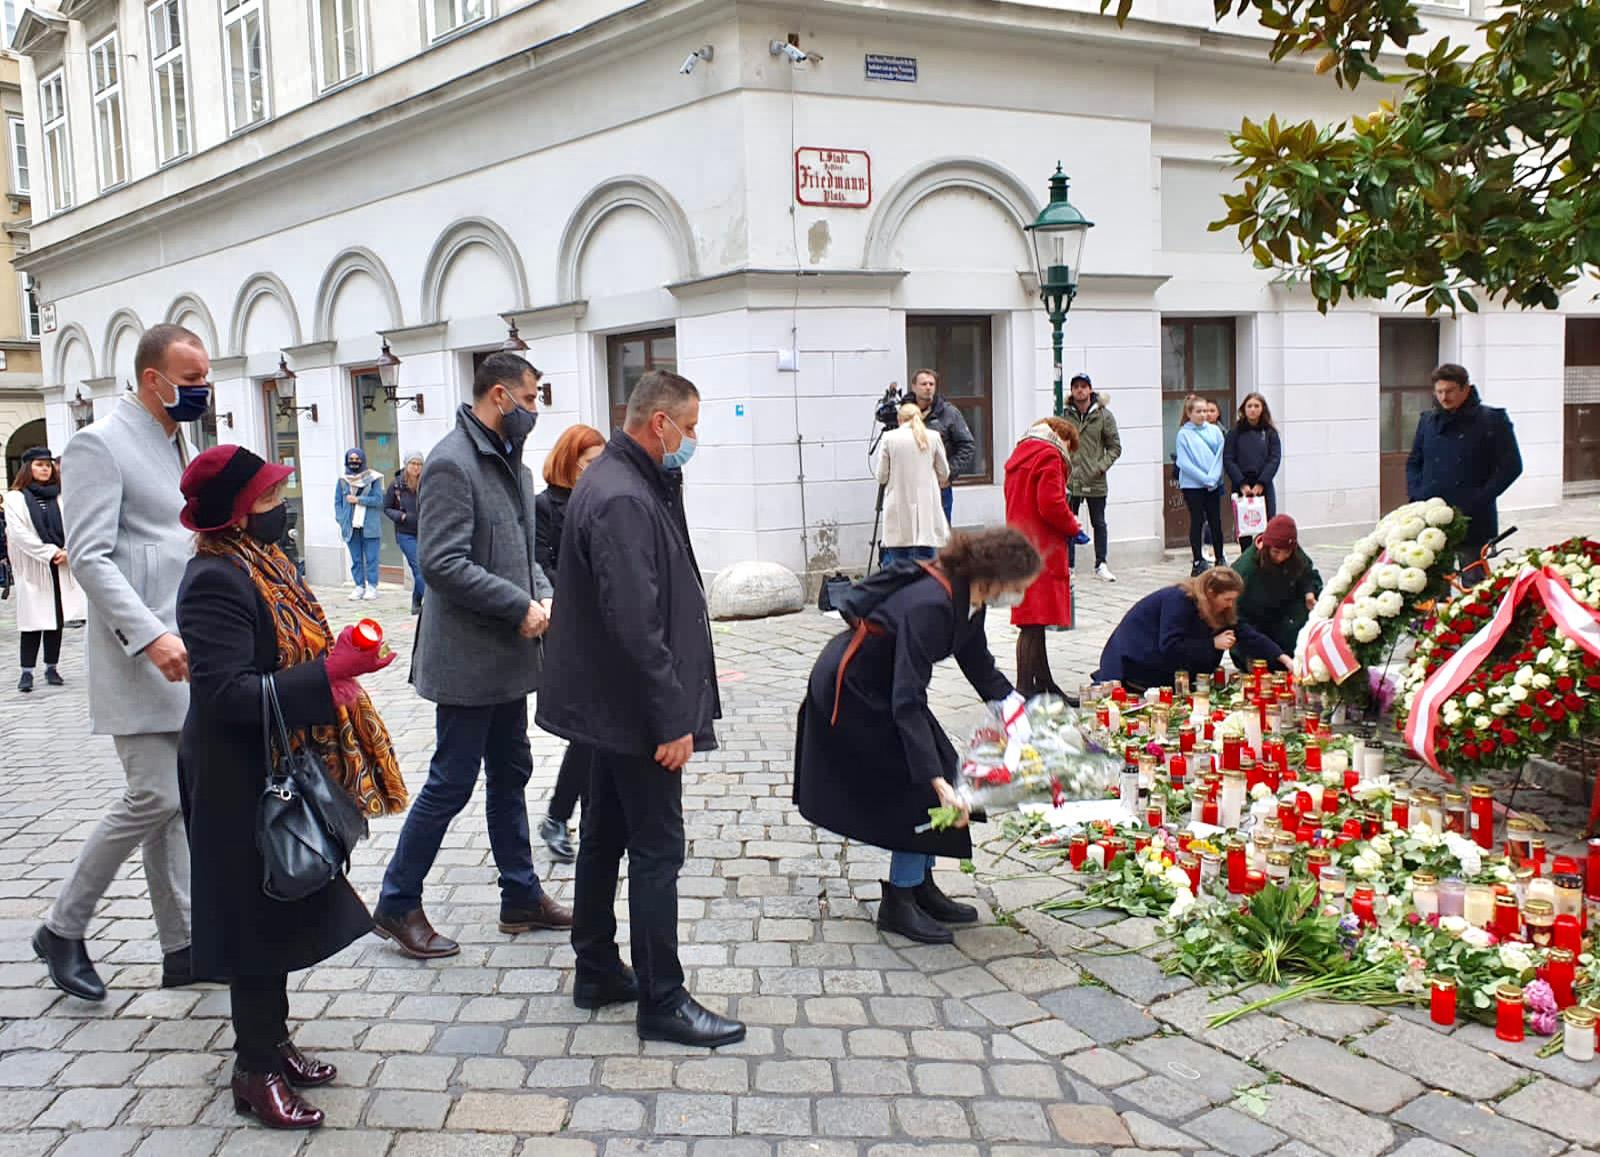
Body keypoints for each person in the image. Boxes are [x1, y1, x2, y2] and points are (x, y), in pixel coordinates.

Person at [175, 445, 404, 1130]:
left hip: (273, 758)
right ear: (240, 513)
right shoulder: (214, 578)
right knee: (250, 919)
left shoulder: (264, 562)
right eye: (270, 500)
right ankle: (253, 1070)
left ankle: (273, 1042)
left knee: (277, 909)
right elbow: (222, 693)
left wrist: (338, 666)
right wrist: (327, 674)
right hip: (233, 772)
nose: (282, 509)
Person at [537, 370, 744, 1049]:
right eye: (691, 426)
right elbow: (636, 623)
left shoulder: (627, 481)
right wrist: (671, 718)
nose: (694, 440)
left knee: (603, 834)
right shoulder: (624, 495)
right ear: (662, 424)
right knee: (657, 848)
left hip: (608, 703)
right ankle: (662, 995)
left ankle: (595, 964)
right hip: (632, 709)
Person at [374, 352, 570, 958]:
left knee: (511, 773)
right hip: (465, 660)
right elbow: (442, 563)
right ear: (501, 397)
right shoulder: (451, 463)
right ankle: (397, 901)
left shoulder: (513, 464)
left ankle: (520, 896)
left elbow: (520, 548)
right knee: (451, 782)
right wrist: (518, 605)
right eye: (532, 398)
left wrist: (542, 591)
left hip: (509, 657)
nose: (535, 410)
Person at [35, 324, 204, 1002]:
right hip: (139, 653)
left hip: (183, 648)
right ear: (151, 377)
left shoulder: (174, 439)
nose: (200, 391)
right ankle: (62, 926)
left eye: (203, 379)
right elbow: (92, 555)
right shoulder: (99, 442)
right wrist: (147, 635)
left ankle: (183, 946)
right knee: (155, 796)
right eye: (190, 381)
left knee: (178, 806)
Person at [794, 528, 1040, 944]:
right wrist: (937, 782)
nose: (1019, 595)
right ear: (993, 578)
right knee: (920, 786)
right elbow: (907, 700)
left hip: (887, 687)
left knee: (940, 771)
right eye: (1017, 587)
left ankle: (922, 886)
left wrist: (1017, 712)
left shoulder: (969, 600)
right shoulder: (932, 605)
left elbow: (977, 663)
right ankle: (899, 901)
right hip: (856, 688)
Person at [534, 422, 605, 863]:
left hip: (606, 624)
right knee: (590, 729)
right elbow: (541, 563)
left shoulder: (602, 500)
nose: (596, 471)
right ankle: (559, 815)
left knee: (602, 728)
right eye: (589, 463)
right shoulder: (546, 505)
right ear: (569, 461)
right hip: (569, 626)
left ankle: (581, 814)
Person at [1406, 363, 1523, 585]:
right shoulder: (1427, 420)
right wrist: (1417, 494)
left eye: (1449, 391)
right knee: (1432, 585)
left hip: (1472, 517)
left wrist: (1479, 498)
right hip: (1431, 515)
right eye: (1439, 392)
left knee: (1475, 585)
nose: (1444, 397)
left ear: (1465, 389)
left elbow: (1511, 466)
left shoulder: (1492, 419)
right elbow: (1414, 461)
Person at [1094, 567, 1290, 693]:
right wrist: (1212, 644)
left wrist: (1283, 659)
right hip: (1139, 662)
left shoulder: (1218, 608)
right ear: (1211, 593)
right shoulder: (1179, 600)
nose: (1230, 605)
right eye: (1227, 599)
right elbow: (1170, 646)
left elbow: (1246, 634)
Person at [1004, 418, 1088, 698]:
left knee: (1033, 620)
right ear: (1061, 436)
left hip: (1020, 544)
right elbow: (1051, 503)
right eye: (1070, 447)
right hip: (1041, 547)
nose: (1068, 453)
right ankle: (1026, 690)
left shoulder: (1020, 452)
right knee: (1032, 623)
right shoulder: (1049, 454)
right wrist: (1073, 526)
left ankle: (1044, 684)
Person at [5, 448, 87, 691]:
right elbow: (19, 535)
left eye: (48, 465)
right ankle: (26, 672)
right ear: (28, 468)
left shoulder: (61, 497)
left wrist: (67, 551)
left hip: (60, 566)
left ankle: (52, 667)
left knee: (56, 620)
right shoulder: (15, 498)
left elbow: (75, 525)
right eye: (39, 465)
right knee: (32, 621)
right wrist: (49, 552)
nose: (45, 469)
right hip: (34, 568)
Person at [1231, 515, 1322, 666]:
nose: (1281, 558)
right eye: (1276, 552)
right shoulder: (1244, 571)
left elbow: (1308, 573)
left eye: (1287, 553)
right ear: (1266, 548)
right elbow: (1236, 618)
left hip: (1285, 617)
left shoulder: (1293, 553)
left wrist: (1309, 593)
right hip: (1256, 624)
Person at [1064, 373, 1121, 582]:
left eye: (1083, 386)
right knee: (1069, 523)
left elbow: (1115, 447)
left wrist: (1101, 467)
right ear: (1071, 391)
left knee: (1099, 522)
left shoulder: (1104, 415)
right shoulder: (1063, 415)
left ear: (1090, 390)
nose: (1080, 390)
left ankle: (1101, 564)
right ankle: (1068, 566)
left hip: (1095, 478)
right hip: (1071, 479)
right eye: (1076, 386)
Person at [876, 403, 949, 566]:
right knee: (925, 567)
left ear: (899, 419)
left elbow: (881, 476)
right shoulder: (933, 437)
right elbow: (944, 472)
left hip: (898, 508)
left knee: (897, 567)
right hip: (926, 509)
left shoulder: (889, 438)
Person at [908, 369, 976, 525]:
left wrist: (948, 474)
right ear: (914, 386)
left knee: (941, 535)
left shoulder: (949, 413)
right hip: (910, 485)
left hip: (939, 486)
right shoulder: (905, 413)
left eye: (931, 384)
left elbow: (967, 445)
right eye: (923, 383)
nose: (928, 387)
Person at [1224, 393, 1282, 551]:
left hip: (1263, 485)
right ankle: (1246, 558)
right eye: (1249, 406)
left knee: (1268, 524)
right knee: (1244, 527)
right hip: (1242, 485)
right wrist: (1242, 483)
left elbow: (1274, 459)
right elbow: (1228, 459)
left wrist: (1261, 483)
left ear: (1262, 409)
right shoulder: (1235, 432)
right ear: (1244, 409)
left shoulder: (1270, 433)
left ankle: (1265, 558)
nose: (1253, 409)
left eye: (1257, 406)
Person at [1176, 396, 1227, 575]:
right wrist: (1203, 478)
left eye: (1205, 411)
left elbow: (1220, 456)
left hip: (1212, 483)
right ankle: (1198, 559)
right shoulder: (1183, 434)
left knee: (1215, 520)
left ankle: (1220, 556)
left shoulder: (1215, 431)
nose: (1203, 414)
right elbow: (1184, 462)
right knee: (1197, 520)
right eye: (1198, 411)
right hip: (1192, 485)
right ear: (1189, 413)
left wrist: (1213, 478)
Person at [335, 448, 384, 601]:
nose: (354, 462)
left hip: (369, 525)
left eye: (357, 459)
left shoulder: (374, 478)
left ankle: (372, 587)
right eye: (351, 459)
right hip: (350, 526)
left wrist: (359, 500)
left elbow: (378, 500)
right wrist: (341, 519)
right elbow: (337, 502)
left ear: (363, 460)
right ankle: (359, 586)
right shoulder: (343, 480)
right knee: (356, 559)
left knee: (371, 558)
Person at [384, 451, 426, 615]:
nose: (416, 467)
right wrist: (401, 516)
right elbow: (386, 508)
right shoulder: (396, 485)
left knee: (423, 568)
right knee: (419, 567)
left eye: (419, 464)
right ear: (406, 465)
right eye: (413, 464)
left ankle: (416, 602)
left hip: (424, 532)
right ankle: (430, 604)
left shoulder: (426, 482)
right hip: (405, 533)